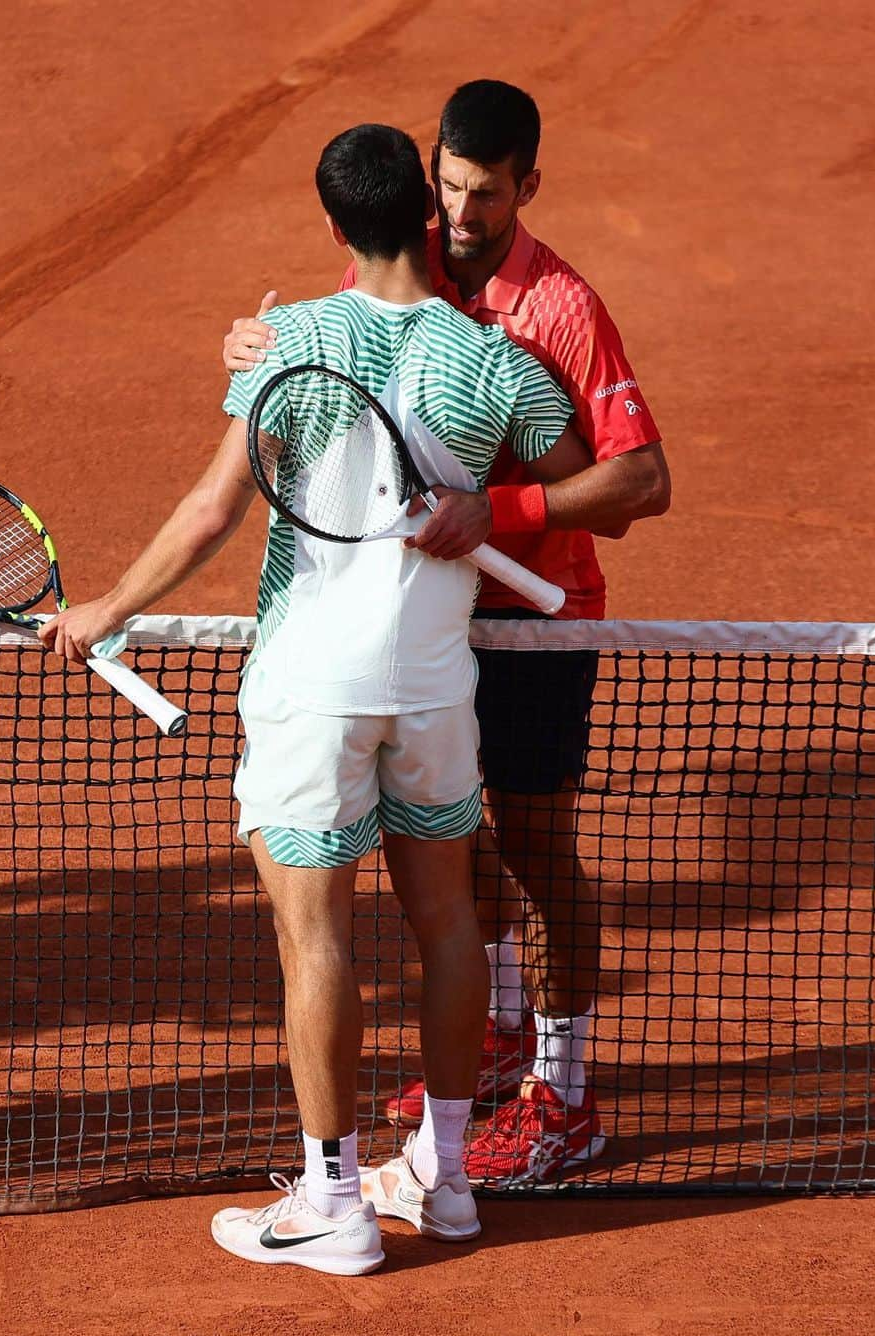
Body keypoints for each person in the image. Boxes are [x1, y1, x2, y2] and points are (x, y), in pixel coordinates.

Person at [42, 122, 598, 1272]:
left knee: (317, 940)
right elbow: (596, 480)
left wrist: (109, 607)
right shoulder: (497, 360)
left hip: (311, 692)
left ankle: (335, 1200)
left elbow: (211, 511)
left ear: (337, 229)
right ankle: (446, 1187)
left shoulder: (288, 341)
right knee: (450, 925)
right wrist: (493, 508)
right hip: (440, 690)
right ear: (424, 219)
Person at [222, 80, 672, 1188]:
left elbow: (641, 483)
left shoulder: (562, 306)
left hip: (530, 620)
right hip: (429, 618)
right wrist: (265, 346)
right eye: (450, 186)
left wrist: (503, 509)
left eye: (487, 193)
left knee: (532, 847)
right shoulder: (404, 253)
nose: (462, 214)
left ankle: (566, 1098)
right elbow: (348, 361)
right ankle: (502, 1035)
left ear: (530, 183)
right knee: (453, 843)